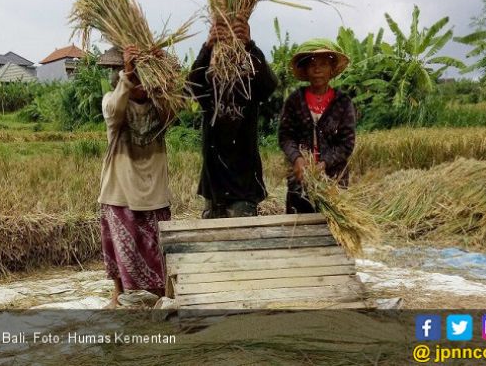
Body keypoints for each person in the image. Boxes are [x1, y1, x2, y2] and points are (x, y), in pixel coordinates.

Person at [98, 45, 172, 308]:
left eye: (144, 75)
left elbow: (175, 108)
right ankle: (118, 294)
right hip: (120, 190)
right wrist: (128, 74)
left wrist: (166, 75)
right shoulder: (112, 99)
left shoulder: (159, 106)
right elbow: (114, 112)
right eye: (133, 76)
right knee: (120, 255)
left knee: (158, 255)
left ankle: (163, 296)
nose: (138, 82)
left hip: (154, 192)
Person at [188, 17, 278, 219]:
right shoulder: (208, 89)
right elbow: (191, 84)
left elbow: (270, 84)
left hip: (244, 182)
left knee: (242, 243)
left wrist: (249, 45)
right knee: (213, 246)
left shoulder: (250, 85)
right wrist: (207, 46)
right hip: (214, 182)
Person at [278, 39, 356, 214]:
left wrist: (324, 164)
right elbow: (285, 136)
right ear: (305, 70)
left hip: (333, 182)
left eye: (323, 64)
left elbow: (347, 144)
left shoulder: (343, 103)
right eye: (312, 64)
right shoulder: (294, 100)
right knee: (299, 230)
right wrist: (297, 158)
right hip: (300, 181)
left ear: (331, 70)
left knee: (332, 230)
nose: (317, 69)